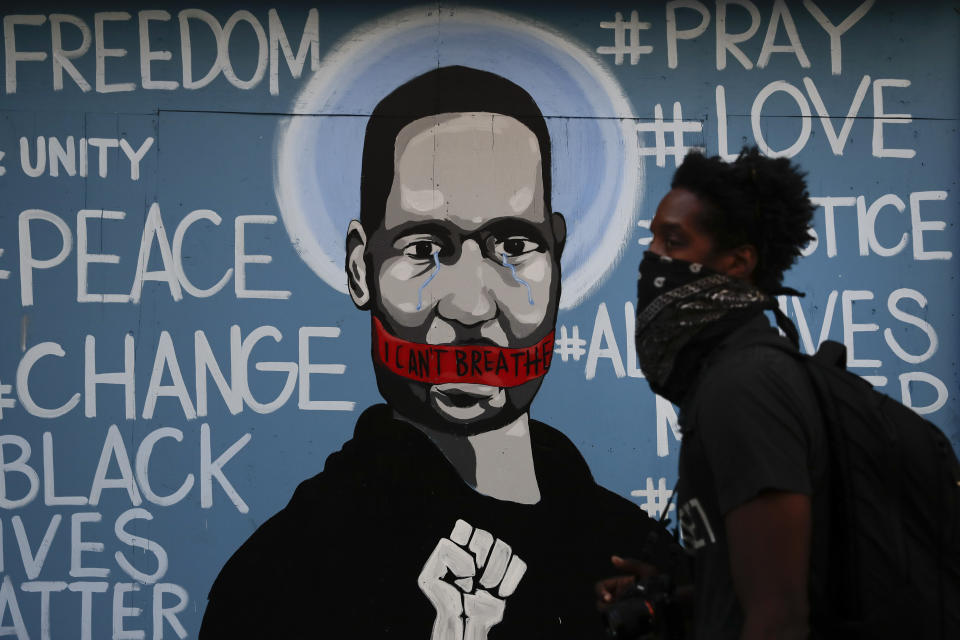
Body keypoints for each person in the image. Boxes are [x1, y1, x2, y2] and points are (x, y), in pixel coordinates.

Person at [200, 66, 675, 639]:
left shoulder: (630, 555)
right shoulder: (287, 576)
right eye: (424, 248)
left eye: (515, 246)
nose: (472, 307)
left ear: (558, 258)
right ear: (360, 269)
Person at [599, 147, 823, 640]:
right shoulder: (725, 376)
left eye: (673, 242)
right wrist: (675, 597)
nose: (652, 258)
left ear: (738, 262)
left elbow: (778, 617)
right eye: (652, 238)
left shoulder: (746, 385)